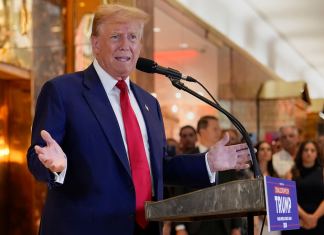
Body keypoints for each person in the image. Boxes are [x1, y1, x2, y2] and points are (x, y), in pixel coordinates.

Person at [26, 4, 251, 235]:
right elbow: (37, 157)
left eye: (133, 37)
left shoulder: (148, 103)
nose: (125, 45)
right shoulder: (63, 91)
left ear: (140, 45)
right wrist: (56, 167)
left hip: (146, 228)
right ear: (95, 44)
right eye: (115, 36)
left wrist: (208, 163)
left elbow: (160, 168)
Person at [282, 140, 324, 235]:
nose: (309, 153)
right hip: (296, 221)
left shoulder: (322, 172)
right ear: (301, 153)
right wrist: (305, 217)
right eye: (306, 150)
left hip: (319, 221)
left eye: (312, 150)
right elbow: (287, 198)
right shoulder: (291, 173)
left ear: (317, 154)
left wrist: (314, 217)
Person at [254, 141, 279, 235]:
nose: (265, 152)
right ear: (256, 153)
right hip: (256, 221)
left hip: (272, 221)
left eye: (268, 149)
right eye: (262, 149)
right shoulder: (249, 174)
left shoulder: (275, 175)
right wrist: (255, 224)